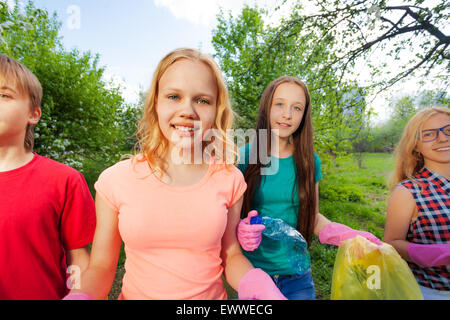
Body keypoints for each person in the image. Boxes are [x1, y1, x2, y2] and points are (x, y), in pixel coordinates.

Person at [64, 48, 286, 300]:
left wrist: (255, 282)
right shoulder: (114, 180)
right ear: (155, 103)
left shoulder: (230, 178)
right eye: (173, 96)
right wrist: (80, 295)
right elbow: (102, 267)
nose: (187, 110)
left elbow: (231, 255)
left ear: (216, 111)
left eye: (202, 100)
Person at [236, 76, 382, 300]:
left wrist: (345, 236)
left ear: (304, 115)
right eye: (280, 104)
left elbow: (312, 217)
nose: (287, 114)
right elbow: (227, 219)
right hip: (252, 274)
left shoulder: (309, 160)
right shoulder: (245, 156)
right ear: (266, 107)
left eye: (297, 107)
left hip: (297, 276)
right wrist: (240, 228)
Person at [0, 54, 96, 299]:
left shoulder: (64, 181)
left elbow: (79, 259)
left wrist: (79, 294)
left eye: (4, 95)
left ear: (33, 114)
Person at [384, 106, 450, 300]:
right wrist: (438, 253)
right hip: (434, 293)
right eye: (429, 134)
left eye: (448, 130)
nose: (443, 138)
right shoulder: (408, 192)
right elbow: (391, 244)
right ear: (416, 146)